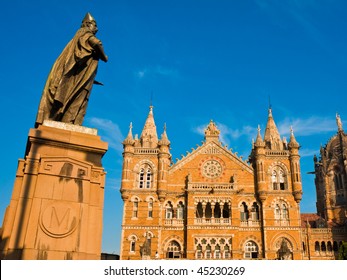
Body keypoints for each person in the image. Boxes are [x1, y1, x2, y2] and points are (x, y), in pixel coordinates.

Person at [35, 12, 108, 127]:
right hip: (76, 81)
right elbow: (96, 43)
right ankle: (66, 121)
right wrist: (104, 56)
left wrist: (91, 79)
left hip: (80, 79)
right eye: (95, 25)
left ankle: (67, 121)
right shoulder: (83, 32)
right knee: (75, 98)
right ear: (88, 24)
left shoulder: (76, 40)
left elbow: (79, 64)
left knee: (78, 99)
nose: (97, 29)